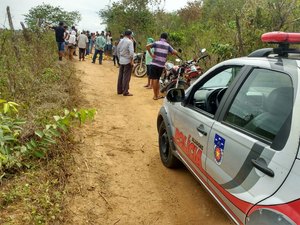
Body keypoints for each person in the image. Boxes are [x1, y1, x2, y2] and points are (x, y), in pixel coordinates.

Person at [146, 32, 179, 100]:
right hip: (161, 65)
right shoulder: (167, 45)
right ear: (166, 38)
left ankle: (156, 95)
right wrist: (172, 52)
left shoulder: (156, 43)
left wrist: (151, 54)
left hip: (154, 64)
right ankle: (156, 95)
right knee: (157, 79)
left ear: (160, 37)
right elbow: (175, 52)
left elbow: (147, 46)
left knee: (155, 80)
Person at [117, 30, 134, 96]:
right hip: (127, 60)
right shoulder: (130, 42)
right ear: (130, 35)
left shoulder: (121, 41)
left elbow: (117, 50)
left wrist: (119, 58)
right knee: (126, 77)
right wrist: (131, 60)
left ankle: (119, 90)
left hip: (121, 60)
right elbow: (131, 52)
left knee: (120, 76)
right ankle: (125, 91)